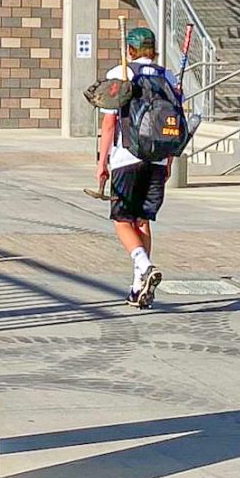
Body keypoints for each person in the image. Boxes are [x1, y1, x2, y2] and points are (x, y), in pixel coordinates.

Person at [95, 27, 181, 309]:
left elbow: (109, 123)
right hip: (157, 158)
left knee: (121, 219)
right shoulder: (167, 77)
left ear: (130, 50)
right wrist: (168, 161)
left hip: (126, 156)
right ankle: (136, 288)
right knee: (142, 220)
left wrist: (101, 162)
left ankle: (143, 265)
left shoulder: (120, 74)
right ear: (153, 49)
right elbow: (174, 125)